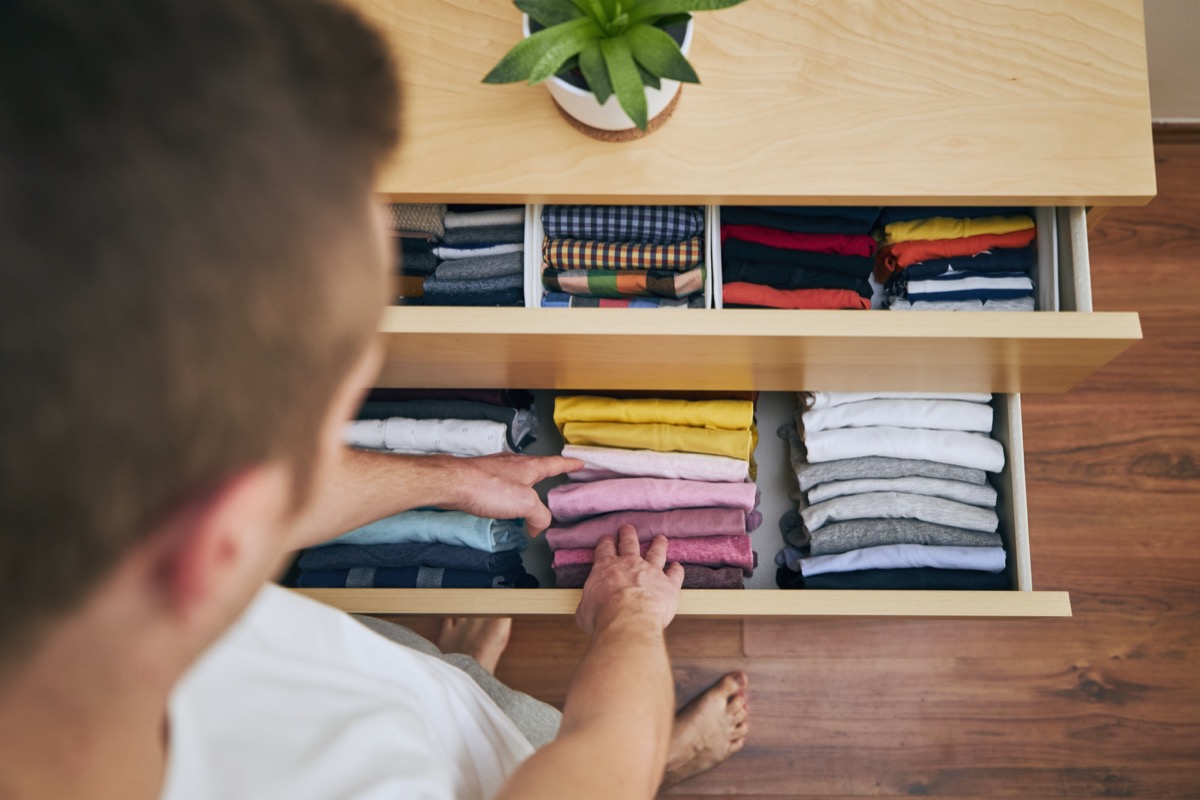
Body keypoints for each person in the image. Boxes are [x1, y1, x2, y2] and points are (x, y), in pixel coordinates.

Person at [0, 1, 750, 798]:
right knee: (574, 745)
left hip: (388, 690)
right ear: (213, 545)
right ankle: (663, 755)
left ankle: (460, 678)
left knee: (438, 682)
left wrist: (447, 477)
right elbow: (601, 772)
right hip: (521, 760)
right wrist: (630, 623)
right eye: (320, 432)